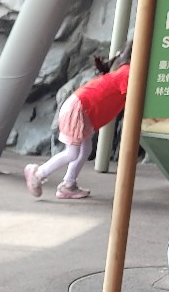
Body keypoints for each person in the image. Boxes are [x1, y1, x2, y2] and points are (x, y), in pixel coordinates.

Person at [24, 44, 132, 201]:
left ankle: (69, 185)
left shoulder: (124, 71)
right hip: (79, 110)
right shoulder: (127, 74)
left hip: (82, 111)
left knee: (85, 150)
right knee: (72, 153)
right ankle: (38, 174)